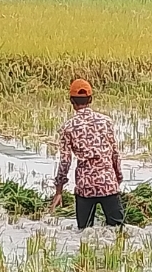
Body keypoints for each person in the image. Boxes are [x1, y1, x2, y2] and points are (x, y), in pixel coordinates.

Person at [51, 79, 124, 229]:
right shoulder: (106, 122)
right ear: (90, 99)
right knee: (118, 232)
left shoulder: (68, 127)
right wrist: (117, 177)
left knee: (84, 233)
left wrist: (59, 191)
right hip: (108, 184)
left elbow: (65, 161)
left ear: (71, 101)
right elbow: (115, 154)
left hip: (85, 188)